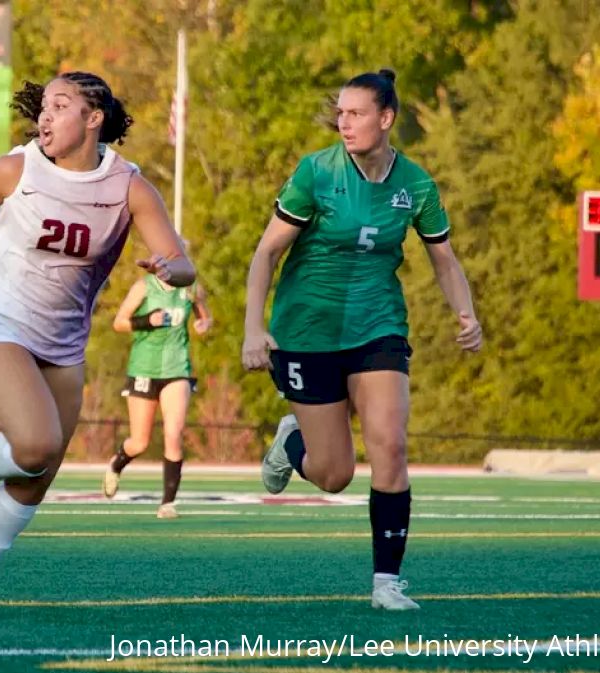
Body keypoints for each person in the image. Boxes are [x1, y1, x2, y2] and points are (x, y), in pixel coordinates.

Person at [0, 71, 196, 619]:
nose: (45, 116)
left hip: (63, 343)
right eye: (44, 106)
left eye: (60, 106)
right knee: (35, 444)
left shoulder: (128, 187)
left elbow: (183, 265)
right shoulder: (16, 169)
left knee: (37, 476)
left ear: (93, 119)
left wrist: (173, 269)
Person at [241, 69, 482, 610]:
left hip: (378, 326)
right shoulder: (317, 173)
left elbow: (443, 259)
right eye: (341, 114)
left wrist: (466, 313)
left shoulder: (416, 185)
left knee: (391, 445)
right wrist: (255, 328)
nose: (343, 123)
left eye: (356, 114)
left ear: (386, 118)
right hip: (308, 331)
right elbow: (266, 253)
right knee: (334, 475)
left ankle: (386, 583)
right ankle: (292, 443)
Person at [103, 265, 211, 519]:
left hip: (177, 368)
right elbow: (119, 322)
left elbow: (205, 316)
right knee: (139, 442)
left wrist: (203, 323)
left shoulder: (191, 288)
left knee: (174, 433)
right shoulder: (144, 286)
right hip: (144, 368)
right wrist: (146, 321)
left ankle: (167, 503)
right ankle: (116, 464)